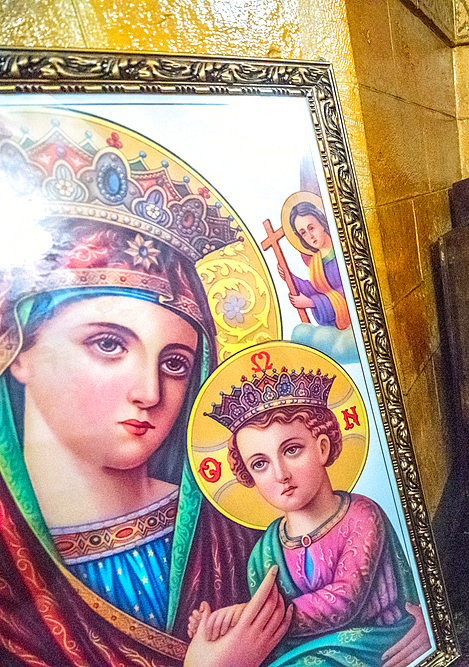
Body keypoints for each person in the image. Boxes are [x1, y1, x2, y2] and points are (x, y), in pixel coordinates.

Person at [0, 119, 427, 667]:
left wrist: (416, 619)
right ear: (20, 349)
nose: (150, 392)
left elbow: (351, 599)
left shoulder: (226, 524)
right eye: (108, 343)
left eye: (176, 363)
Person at [193, 367, 422, 666]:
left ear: (322, 447)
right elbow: (271, 640)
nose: (280, 474)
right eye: (260, 464)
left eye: (292, 450)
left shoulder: (362, 516)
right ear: (248, 476)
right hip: (302, 653)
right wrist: (220, 629)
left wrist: (243, 617)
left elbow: (343, 602)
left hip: (377, 645)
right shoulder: (264, 551)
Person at [278, 202, 351, 330]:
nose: (310, 236)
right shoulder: (317, 262)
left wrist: (312, 303)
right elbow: (319, 289)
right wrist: (290, 278)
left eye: (311, 228)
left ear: (322, 223)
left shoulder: (343, 251)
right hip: (334, 328)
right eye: (303, 233)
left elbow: (347, 293)